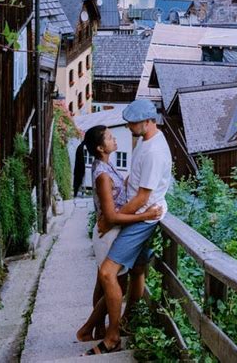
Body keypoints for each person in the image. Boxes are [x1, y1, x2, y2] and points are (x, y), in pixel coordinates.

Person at [87, 99, 172, 356]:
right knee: (137, 271)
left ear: (148, 122)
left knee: (107, 273)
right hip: (140, 215)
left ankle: (112, 337)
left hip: (142, 218)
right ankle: (124, 323)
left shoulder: (154, 151)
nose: (128, 126)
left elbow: (142, 198)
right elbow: (134, 183)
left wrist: (111, 218)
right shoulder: (147, 141)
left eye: (132, 122)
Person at [73, 125, 162, 345]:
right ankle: (89, 330)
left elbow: (118, 191)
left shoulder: (105, 164)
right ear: (101, 147)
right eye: (110, 138)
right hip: (109, 233)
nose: (115, 140)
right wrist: (146, 215)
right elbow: (111, 217)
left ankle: (92, 331)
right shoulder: (102, 175)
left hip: (108, 233)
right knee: (114, 286)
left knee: (102, 285)